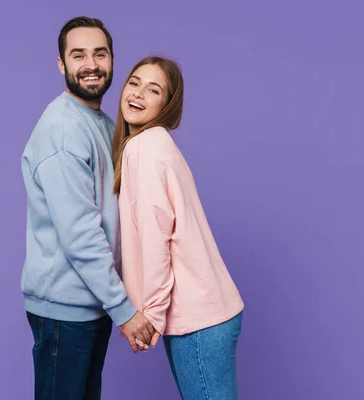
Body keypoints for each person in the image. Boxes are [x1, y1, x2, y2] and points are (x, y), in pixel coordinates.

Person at [20, 17, 156, 400]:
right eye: (78, 55)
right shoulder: (64, 131)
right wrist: (124, 310)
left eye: (100, 53)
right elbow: (80, 233)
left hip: (90, 304)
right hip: (65, 309)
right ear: (62, 64)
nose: (91, 64)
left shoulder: (102, 123)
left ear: (112, 59)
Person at [111, 56, 245, 399]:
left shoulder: (144, 148)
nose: (138, 93)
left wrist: (150, 316)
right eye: (134, 82)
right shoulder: (155, 143)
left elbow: (158, 237)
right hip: (206, 315)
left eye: (153, 89)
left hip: (199, 320)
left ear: (166, 105)